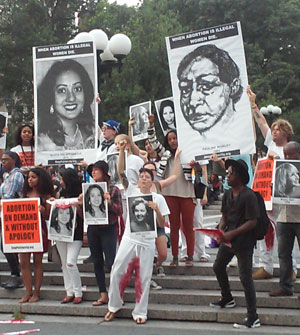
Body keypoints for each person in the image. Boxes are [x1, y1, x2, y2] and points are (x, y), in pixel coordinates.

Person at [104, 143, 170, 324]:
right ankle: (113, 306)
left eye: (146, 177)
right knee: (117, 271)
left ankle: (140, 311)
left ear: (152, 180)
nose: (143, 179)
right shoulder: (131, 190)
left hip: (148, 242)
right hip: (129, 239)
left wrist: (156, 210)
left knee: (144, 277)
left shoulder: (158, 199)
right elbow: (120, 172)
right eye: (141, 176)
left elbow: (162, 224)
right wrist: (122, 153)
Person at [247, 85, 296, 280]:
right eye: (273, 129)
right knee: (264, 228)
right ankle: (265, 266)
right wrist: (253, 104)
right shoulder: (271, 145)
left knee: (286, 233)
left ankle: (290, 269)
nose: (274, 132)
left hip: (284, 197)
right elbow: (261, 123)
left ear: (287, 132)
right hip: (267, 195)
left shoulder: (291, 150)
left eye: (278, 129)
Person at [210, 159, 260, 329]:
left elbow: (252, 221)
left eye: (230, 173)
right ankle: (227, 297)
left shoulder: (248, 195)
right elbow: (224, 217)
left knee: (245, 277)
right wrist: (220, 231)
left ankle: (253, 317)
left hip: (244, 241)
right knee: (218, 266)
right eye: (227, 173)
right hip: (229, 240)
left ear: (239, 175)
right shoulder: (227, 195)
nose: (227, 176)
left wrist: (231, 233)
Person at [177, 44, 242, 134]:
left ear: (233, 87)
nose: (192, 102)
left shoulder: (245, 134)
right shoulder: (188, 145)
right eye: (185, 90)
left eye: (206, 86)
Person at [82, 160, 122, 306]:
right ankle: (103, 294)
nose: (93, 172)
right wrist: (82, 203)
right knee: (97, 261)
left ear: (104, 172)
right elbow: (84, 213)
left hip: (108, 228)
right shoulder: (88, 189)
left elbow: (119, 211)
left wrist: (109, 202)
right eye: (92, 170)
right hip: (93, 228)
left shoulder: (113, 189)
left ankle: (116, 294)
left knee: (111, 262)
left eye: (96, 170)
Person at [37, 59, 95, 151]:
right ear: (50, 96)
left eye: (77, 89)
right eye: (62, 90)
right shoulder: (41, 143)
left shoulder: (93, 135)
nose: (71, 98)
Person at [269, 142, 300, 297]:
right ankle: (285, 286)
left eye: (291, 154)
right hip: (284, 217)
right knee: (283, 253)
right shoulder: (280, 170)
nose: (287, 157)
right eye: (285, 154)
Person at [19, 168, 53, 303]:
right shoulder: (24, 194)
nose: (30, 180)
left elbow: (49, 216)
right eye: (28, 177)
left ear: (40, 179)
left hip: (40, 231)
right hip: (24, 231)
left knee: (38, 262)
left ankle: (36, 292)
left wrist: (44, 210)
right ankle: (28, 292)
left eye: (33, 177)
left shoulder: (46, 196)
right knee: (24, 262)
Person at [56, 168, 84, 304]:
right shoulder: (61, 193)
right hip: (61, 233)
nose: (60, 182)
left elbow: (84, 216)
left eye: (62, 179)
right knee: (64, 264)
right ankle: (69, 291)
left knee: (70, 262)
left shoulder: (80, 194)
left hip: (75, 232)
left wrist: (78, 206)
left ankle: (78, 292)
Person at [0, 151, 24, 289]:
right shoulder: (8, 176)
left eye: (6, 160)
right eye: (2, 160)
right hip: (6, 213)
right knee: (6, 246)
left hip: (13, 213)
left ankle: (16, 275)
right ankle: (15, 273)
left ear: (14, 160)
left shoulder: (16, 176)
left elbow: (8, 197)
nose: (3, 162)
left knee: (7, 245)